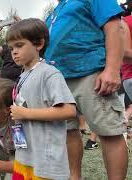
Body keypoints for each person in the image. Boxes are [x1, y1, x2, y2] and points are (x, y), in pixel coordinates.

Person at [0, 18, 76, 180]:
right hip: (25, 158)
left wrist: (26, 113)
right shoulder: (23, 76)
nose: (14, 52)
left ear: (39, 44)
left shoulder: (49, 73)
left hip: (45, 162)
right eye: (11, 48)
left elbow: (69, 110)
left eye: (19, 45)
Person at [45, 0, 128, 179]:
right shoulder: (56, 10)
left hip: (90, 73)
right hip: (58, 80)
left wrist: (112, 69)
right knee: (68, 131)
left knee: (109, 133)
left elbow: (114, 27)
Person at [0, 17, 22, 82]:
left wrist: (22, 26)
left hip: (19, 82)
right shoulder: (6, 46)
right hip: (5, 83)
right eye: (10, 26)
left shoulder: (24, 43)